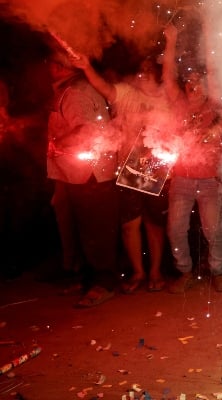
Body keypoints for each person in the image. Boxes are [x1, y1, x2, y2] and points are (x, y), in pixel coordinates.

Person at [71, 52, 178, 293]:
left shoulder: (166, 97)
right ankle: (138, 272)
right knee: (130, 224)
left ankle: (155, 272)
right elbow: (104, 87)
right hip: (130, 164)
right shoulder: (127, 93)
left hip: (156, 165)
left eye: (147, 70)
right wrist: (87, 67)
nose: (141, 74)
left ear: (156, 74)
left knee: (154, 223)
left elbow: (170, 74)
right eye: (139, 70)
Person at [46, 49, 120, 307]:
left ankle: (104, 283)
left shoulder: (76, 93)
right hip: (79, 174)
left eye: (52, 63)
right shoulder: (69, 90)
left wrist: (58, 142)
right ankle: (89, 279)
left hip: (91, 174)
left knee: (96, 230)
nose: (48, 67)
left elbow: (86, 130)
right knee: (86, 230)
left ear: (62, 68)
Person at [163, 24, 222, 294]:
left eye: (197, 80)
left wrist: (207, 29)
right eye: (188, 80)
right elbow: (168, 77)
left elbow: (213, 70)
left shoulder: (214, 103)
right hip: (181, 179)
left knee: (213, 230)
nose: (192, 84)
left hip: (209, 180)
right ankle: (184, 271)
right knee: (175, 229)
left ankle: (219, 271)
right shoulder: (178, 102)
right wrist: (171, 41)